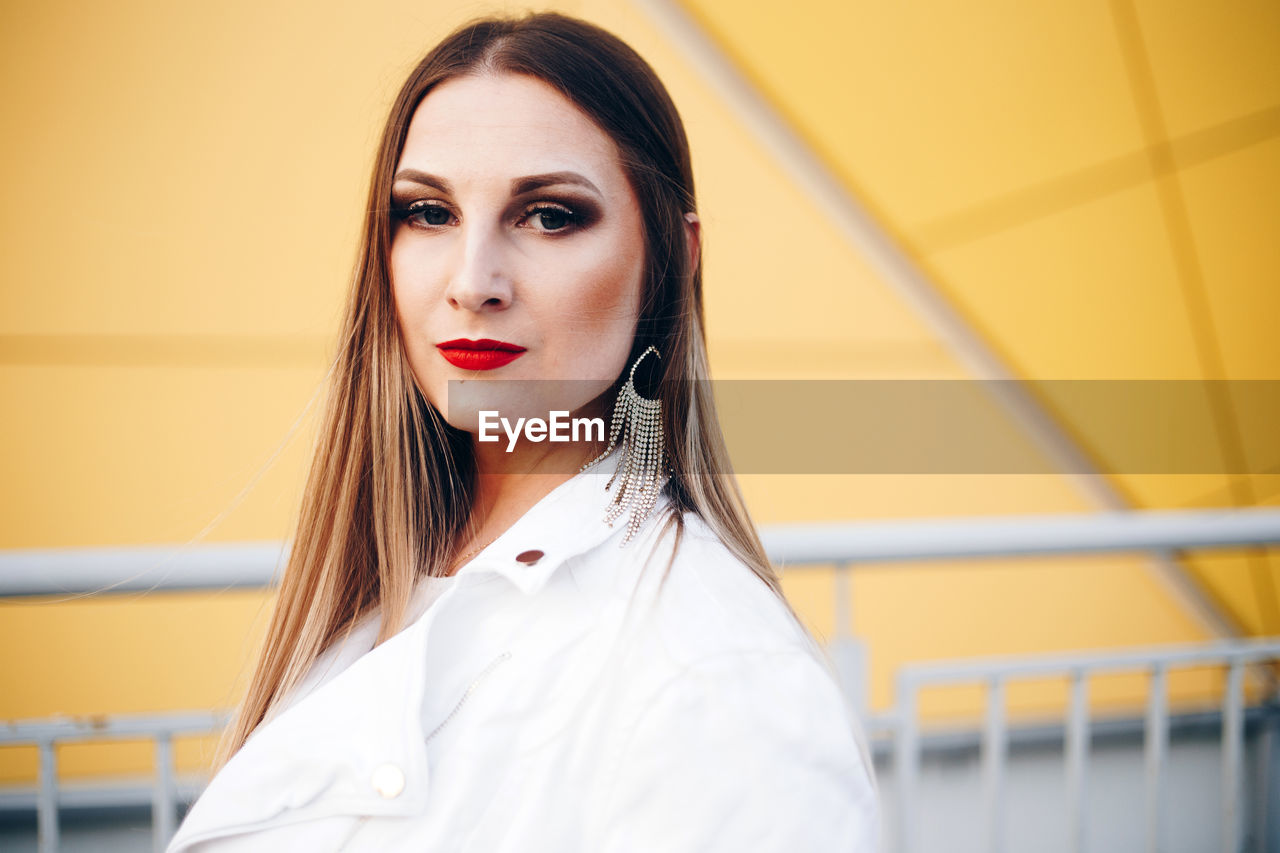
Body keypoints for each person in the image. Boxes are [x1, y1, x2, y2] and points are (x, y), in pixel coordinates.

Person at [167, 10, 878, 852]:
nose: (473, 282)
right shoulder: (384, 587)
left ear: (674, 258)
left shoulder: (719, 680)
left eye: (549, 216)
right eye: (428, 212)